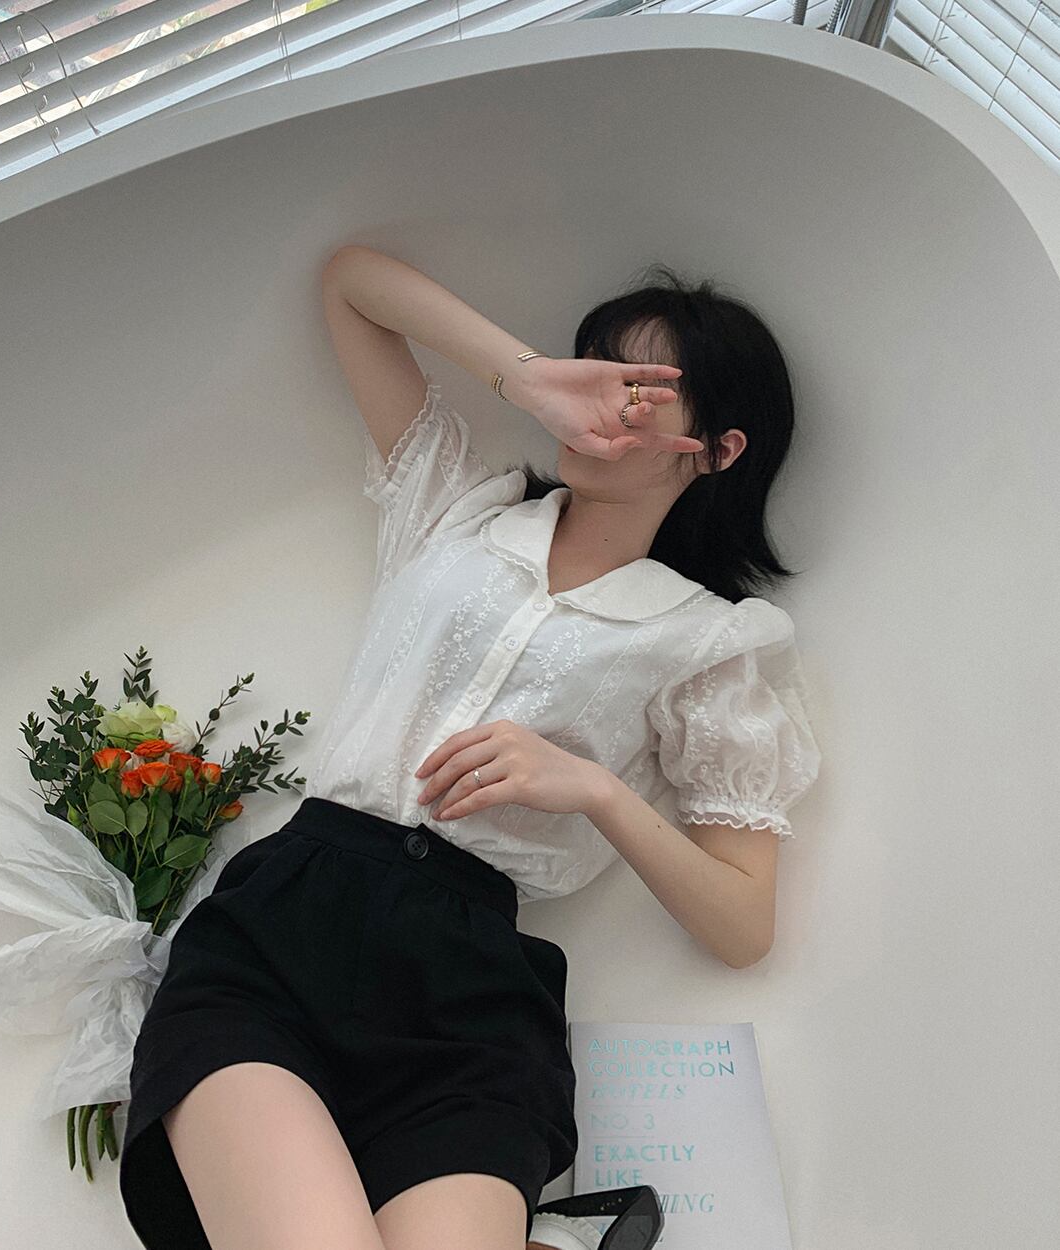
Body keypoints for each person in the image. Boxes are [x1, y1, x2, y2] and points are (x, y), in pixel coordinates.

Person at [117, 244, 822, 1250]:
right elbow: (352, 286)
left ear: (716, 449)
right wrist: (529, 375)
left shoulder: (710, 643)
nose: (601, 403)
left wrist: (595, 790)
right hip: (286, 936)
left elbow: (743, 925)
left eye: (639, 392)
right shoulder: (455, 507)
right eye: (597, 369)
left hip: (470, 1002)